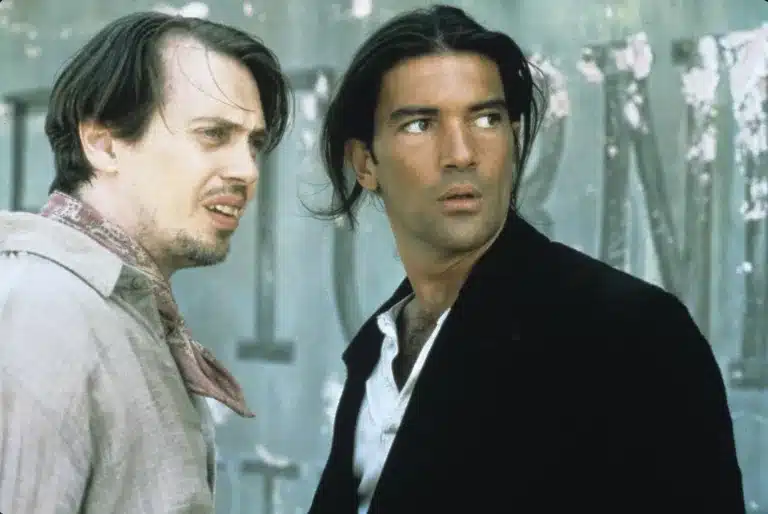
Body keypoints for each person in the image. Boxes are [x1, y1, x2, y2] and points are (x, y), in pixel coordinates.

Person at [308, 5, 745, 513]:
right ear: (365, 163)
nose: (462, 153)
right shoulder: (378, 350)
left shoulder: (631, 335)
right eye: (421, 124)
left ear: (513, 141)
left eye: (486, 119)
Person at [0, 11, 289, 514]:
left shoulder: (110, 307)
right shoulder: (42, 315)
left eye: (254, 143)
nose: (246, 170)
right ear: (103, 143)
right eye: (213, 134)